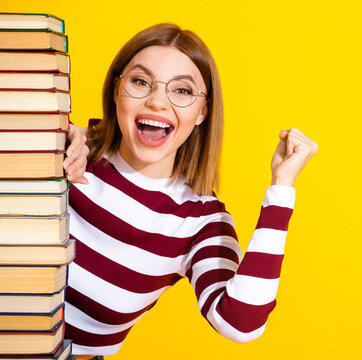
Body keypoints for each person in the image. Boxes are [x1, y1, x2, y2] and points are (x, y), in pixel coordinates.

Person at [63, 23, 317, 360]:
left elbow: (240, 324)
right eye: (140, 82)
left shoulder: (200, 222)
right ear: (116, 90)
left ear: (202, 112)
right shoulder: (68, 149)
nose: (157, 102)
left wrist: (281, 189)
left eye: (181, 91)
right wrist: (50, 135)